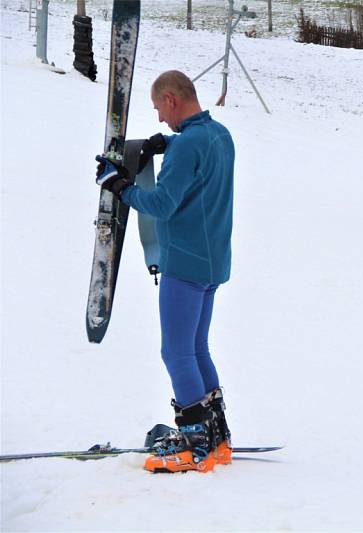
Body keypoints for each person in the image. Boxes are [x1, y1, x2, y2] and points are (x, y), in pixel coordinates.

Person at [94, 70, 235, 473]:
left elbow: (160, 205)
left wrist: (118, 185)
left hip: (185, 262)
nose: (158, 118)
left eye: (159, 108)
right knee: (196, 348)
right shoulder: (219, 135)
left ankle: (193, 443)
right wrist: (165, 143)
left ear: (172, 99)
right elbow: (195, 146)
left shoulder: (187, 146)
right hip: (212, 262)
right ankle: (217, 438)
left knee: (175, 351)